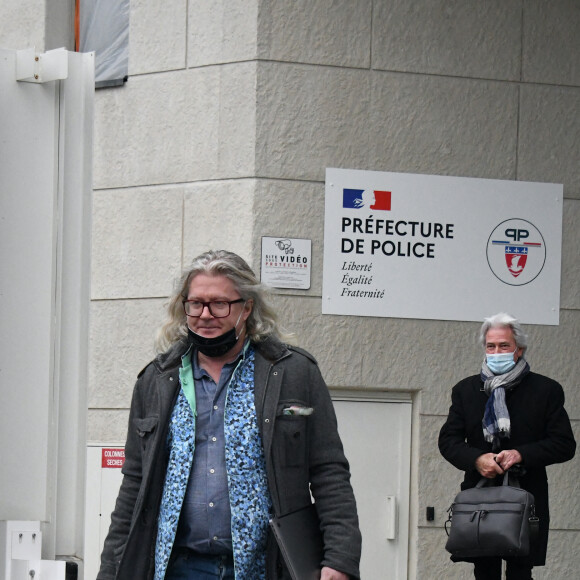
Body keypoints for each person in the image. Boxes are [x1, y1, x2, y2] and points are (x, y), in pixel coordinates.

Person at [97, 250, 361, 580]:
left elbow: (328, 472)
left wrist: (340, 558)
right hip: (180, 568)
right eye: (196, 303)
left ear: (247, 307)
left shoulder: (293, 373)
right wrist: (111, 570)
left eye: (220, 304)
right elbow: (135, 483)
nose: (205, 314)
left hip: (267, 568)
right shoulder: (157, 379)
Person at [439, 313, 576, 580]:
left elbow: (564, 444)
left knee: (521, 572)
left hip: (526, 496)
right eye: (491, 346)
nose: (496, 352)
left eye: (504, 345)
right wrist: (478, 459)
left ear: (519, 349)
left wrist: (521, 454)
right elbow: (449, 441)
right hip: (480, 497)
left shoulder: (545, 390)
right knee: (484, 570)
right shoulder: (466, 390)